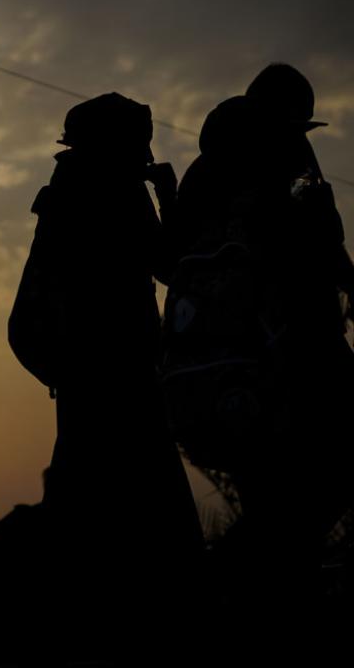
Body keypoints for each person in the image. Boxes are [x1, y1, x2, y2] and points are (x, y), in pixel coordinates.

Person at [19, 93, 202, 645]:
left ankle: (65, 617)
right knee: (152, 510)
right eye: (140, 140)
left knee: (83, 498)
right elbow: (173, 265)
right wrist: (171, 196)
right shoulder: (115, 190)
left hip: (81, 373)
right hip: (119, 369)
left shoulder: (65, 192)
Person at [172, 65, 354, 617]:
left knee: (271, 490)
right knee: (328, 471)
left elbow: (172, 260)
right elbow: (323, 240)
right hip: (295, 350)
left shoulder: (203, 170)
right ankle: (230, 585)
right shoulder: (288, 155)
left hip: (216, 367)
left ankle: (260, 600)